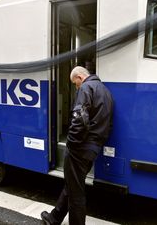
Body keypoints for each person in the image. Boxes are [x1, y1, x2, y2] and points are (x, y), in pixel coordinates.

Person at [41, 66, 113, 225]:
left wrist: (71, 144)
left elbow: (79, 119)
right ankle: (54, 218)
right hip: (94, 147)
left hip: (80, 148)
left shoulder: (86, 88)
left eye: (75, 83)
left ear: (80, 77)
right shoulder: (105, 91)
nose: (76, 87)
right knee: (73, 184)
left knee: (76, 193)